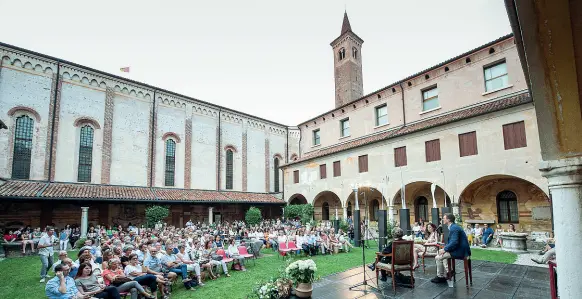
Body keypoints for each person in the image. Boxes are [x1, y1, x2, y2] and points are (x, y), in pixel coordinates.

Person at [431, 213, 471, 284]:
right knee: (440, 253)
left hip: (460, 251)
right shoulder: (454, 227)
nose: (443, 219)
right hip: (459, 249)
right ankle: (449, 271)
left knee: (438, 257)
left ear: (448, 220)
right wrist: (445, 247)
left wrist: (445, 249)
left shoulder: (454, 228)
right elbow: (453, 242)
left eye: (444, 218)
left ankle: (440, 276)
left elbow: (454, 242)